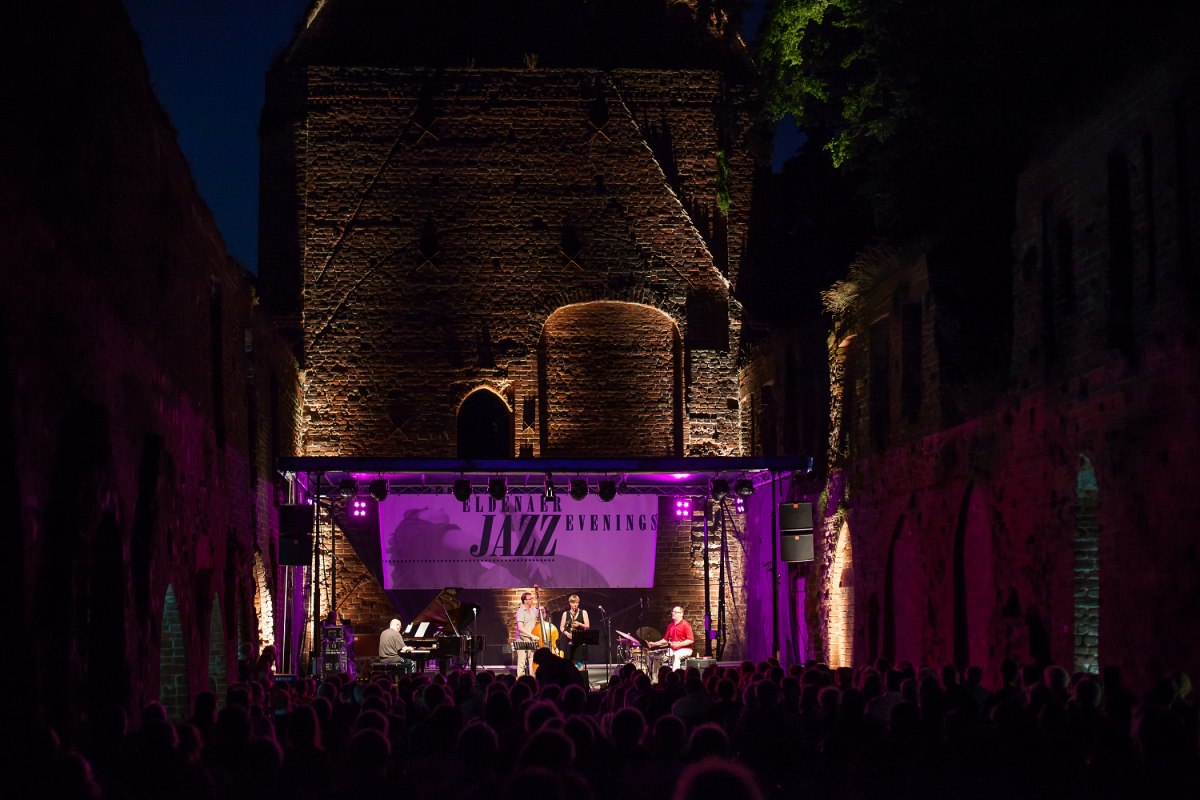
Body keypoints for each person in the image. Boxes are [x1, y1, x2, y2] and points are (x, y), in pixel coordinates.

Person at [648, 606, 695, 671]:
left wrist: (679, 644)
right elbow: (665, 640)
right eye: (672, 612)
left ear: (681, 614)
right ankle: (656, 676)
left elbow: (691, 640)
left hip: (685, 649)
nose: (673, 613)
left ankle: (675, 675)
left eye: (675, 612)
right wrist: (654, 644)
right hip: (673, 650)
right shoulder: (670, 626)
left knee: (676, 655)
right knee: (658, 658)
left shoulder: (686, 625)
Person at [558, 593, 591, 668]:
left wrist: (580, 624)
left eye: (577, 603)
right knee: (569, 662)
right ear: (570, 603)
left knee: (579, 662)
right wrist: (567, 633)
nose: (575, 605)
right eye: (573, 603)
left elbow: (587, 626)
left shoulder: (583, 612)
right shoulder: (565, 614)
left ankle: (580, 673)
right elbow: (561, 627)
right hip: (569, 640)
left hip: (580, 641)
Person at [514, 592, 542, 675]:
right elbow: (520, 627)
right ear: (525, 601)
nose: (532, 600)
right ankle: (521, 679)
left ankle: (533, 679)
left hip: (531, 639)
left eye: (532, 598)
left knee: (532, 661)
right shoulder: (521, 611)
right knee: (522, 662)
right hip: (522, 639)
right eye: (530, 599)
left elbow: (542, 617)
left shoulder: (533, 609)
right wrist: (532, 635)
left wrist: (542, 610)